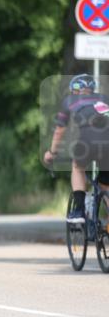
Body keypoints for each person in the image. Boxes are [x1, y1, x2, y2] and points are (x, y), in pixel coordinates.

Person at [44, 73, 109, 223]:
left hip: (87, 141)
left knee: (78, 168)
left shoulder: (70, 100)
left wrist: (52, 153)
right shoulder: (105, 99)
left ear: (74, 89)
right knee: (106, 184)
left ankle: (79, 210)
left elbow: (60, 129)